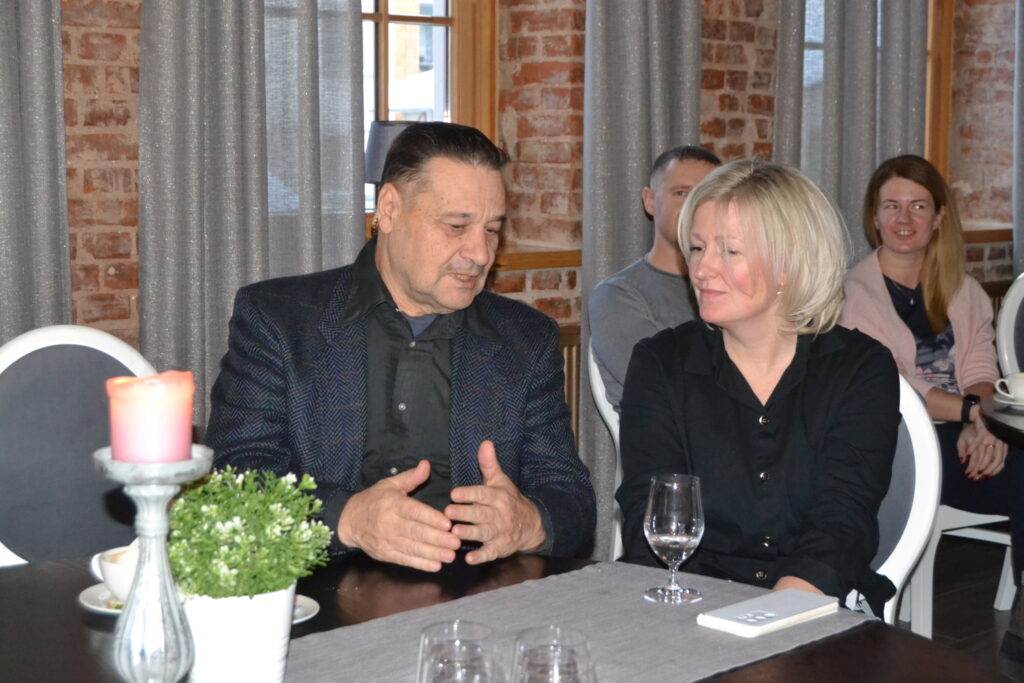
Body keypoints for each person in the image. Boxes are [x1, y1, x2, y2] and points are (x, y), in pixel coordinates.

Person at [206, 122, 596, 573]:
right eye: (456, 226)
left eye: (491, 230)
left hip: (476, 591)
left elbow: (572, 501)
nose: (480, 253)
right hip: (320, 586)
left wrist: (529, 521)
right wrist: (347, 518)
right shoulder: (281, 320)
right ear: (389, 210)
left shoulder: (525, 339)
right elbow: (235, 480)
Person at [617, 159, 900, 615]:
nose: (702, 269)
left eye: (730, 251)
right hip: (686, 601)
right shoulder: (661, 364)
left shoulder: (860, 368)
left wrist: (766, 619)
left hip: (812, 603)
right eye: (697, 248)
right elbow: (652, 519)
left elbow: (842, 523)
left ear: (788, 266)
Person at [840, 154, 1024, 657]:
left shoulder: (964, 289)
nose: (904, 219)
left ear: (939, 216)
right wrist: (976, 416)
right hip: (901, 445)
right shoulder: (854, 296)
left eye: (918, 206)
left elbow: (982, 369)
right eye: (891, 206)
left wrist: (983, 426)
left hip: (965, 430)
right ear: (874, 217)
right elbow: (897, 388)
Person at [588, 146, 721, 410]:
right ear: (650, 201)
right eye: (681, 193)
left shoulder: (733, 285)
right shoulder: (617, 295)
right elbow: (667, 389)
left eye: (707, 195)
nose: (694, 207)